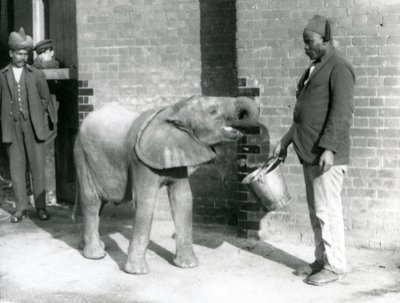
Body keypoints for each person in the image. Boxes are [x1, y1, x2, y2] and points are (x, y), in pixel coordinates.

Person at [273, 15, 355, 286]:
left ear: (326, 40)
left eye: (310, 42)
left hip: (326, 157)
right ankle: (322, 260)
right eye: (304, 42)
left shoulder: (339, 68)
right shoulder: (316, 66)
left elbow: (341, 113)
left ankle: (336, 265)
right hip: (310, 153)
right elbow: (303, 116)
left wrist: (329, 149)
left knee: (328, 211)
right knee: (316, 211)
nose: (305, 47)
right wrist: (285, 141)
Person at [0, 28, 56, 222]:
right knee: (16, 168)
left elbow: (44, 99)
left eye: (25, 53)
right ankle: (21, 208)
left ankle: (41, 207)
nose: (23, 57)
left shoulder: (36, 74)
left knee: (38, 166)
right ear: (11, 53)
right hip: (11, 127)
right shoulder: (2, 75)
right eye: (19, 53)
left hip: (33, 127)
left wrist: (35, 115)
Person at [33, 39, 60, 205]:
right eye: (39, 54)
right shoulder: (32, 69)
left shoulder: (55, 65)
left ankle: (50, 193)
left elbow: (54, 66)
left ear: (52, 52)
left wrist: (40, 65)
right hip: (35, 116)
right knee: (35, 154)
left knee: (48, 154)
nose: (42, 56)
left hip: (50, 118)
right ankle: (37, 193)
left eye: (45, 52)